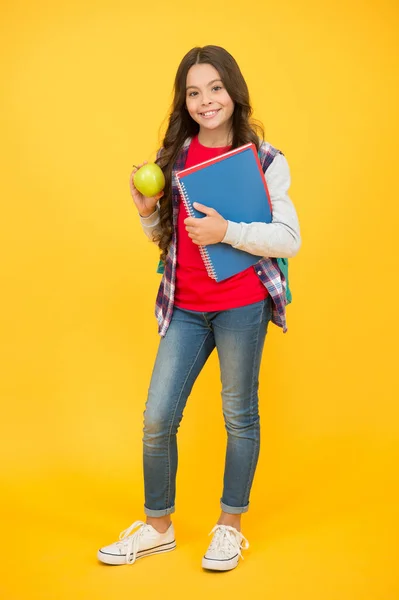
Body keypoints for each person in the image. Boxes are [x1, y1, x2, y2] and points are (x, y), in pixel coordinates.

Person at [98, 45, 301, 572]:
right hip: (185, 306)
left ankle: (229, 528)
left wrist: (226, 231)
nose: (205, 100)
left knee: (239, 415)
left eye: (215, 88)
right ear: (183, 101)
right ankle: (158, 527)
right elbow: (169, 238)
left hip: (241, 306)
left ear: (234, 92)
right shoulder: (175, 158)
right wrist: (147, 214)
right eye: (194, 92)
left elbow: (289, 238)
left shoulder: (264, 159)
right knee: (158, 418)